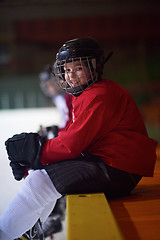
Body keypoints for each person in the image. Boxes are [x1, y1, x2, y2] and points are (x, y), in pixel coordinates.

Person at [0, 37, 157, 240]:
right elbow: (73, 138)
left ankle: (9, 234)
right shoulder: (87, 94)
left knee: (39, 182)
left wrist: (36, 151)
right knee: (41, 176)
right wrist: (37, 155)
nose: (71, 75)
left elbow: (71, 145)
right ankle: (28, 232)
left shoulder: (99, 95)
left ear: (95, 67)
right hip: (115, 166)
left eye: (79, 68)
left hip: (117, 169)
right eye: (66, 70)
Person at [38, 64, 73, 238]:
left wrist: (59, 133)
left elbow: (73, 124)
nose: (50, 87)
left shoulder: (68, 96)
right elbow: (67, 121)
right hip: (73, 138)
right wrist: (57, 129)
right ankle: (53, 214)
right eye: (47, 85)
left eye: (51, 82)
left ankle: (55, 216)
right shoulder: (59, 98)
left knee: (54, 167)